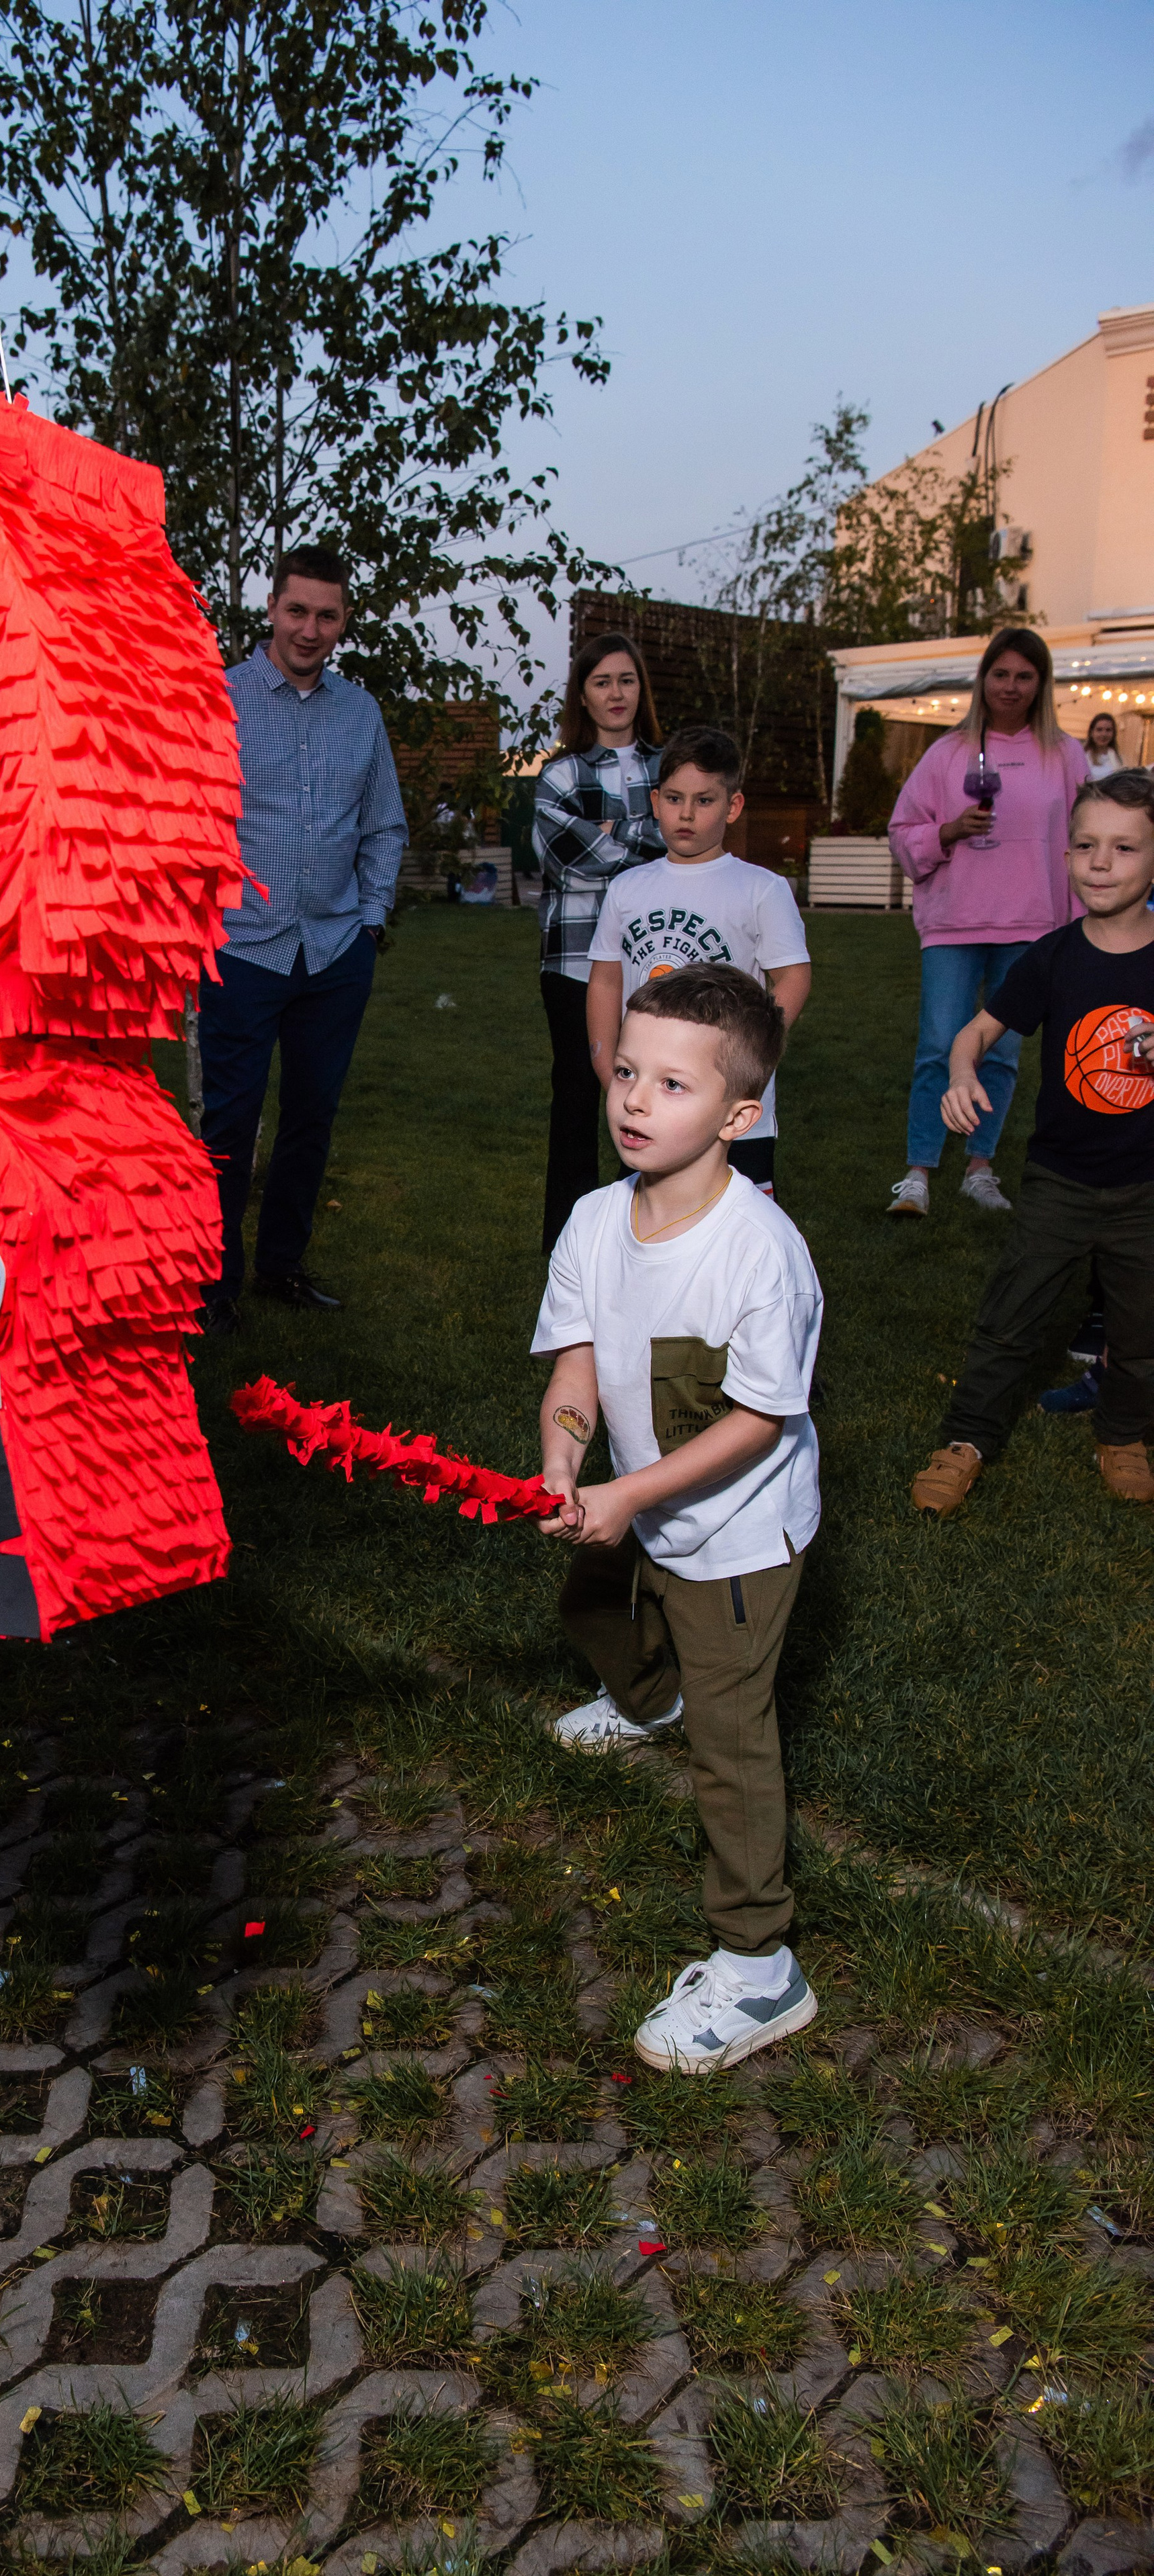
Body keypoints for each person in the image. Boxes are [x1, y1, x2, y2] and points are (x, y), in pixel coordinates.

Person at [534, 963, 822, 2073]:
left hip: (739, 1536)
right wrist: (566, 1449)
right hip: (640, 1505)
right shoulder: (594, 1219)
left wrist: (628, 1494)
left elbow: (756, 1421)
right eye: (625, 1072)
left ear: (739, 1116)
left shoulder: (762, 1253)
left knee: (732, 1744)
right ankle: (651, 1699)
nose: (635, 1101)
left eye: (672, 1084)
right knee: (592, 1607)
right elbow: (577, 1362)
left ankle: (760, 1966)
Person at [910, 768, 1154, 1517]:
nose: (1100, 863)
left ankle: (1123, 1434)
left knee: (1142, 1330)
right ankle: (966, 1439)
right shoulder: (1052, 956)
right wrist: (960, 1072)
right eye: (1085, 845)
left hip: (1146, 1190)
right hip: (1058, 1182)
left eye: (1123, 847)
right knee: (1010, 1320)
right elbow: (975, 1033)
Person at [197, 545, 406, 1333]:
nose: (309, 629)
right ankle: (213, 1283)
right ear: (272, 609)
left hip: (333, 952)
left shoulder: (360, 714)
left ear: (343, 621)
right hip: (241, 949)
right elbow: (189, 824)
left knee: (311, 1118)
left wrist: (370, 919)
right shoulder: (219, 701)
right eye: (297, 611)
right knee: (228, 1124)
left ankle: (281, 1265)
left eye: (326, 615)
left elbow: (384, 826)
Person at [886, 626, 1088, 1220]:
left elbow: (1085, 840)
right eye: (1001, 673)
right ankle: (918, 1171)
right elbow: (903, 831)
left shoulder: (1065, 755)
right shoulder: (947, 752)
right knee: (939, 1047)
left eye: (1025, 676)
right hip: (955, 923)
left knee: (1000, 1056)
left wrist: (1080, 925)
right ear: (983, 679)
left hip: (1031, 926)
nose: (1011, 686)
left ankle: (979, 1167)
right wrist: (949, 831)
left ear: (1041, 684)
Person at [585, 723, 810, 1198]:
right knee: (652, 1218)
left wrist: (750, 1055)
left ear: (733, 806)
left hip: (730, 1105)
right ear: (655, 802)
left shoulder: (761, 889)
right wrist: (610, 1072)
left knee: (738, 1225)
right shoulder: (627, 889)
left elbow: (793, 978)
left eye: (704, 801)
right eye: (674, 798)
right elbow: (605, 982)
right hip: (650, 1099)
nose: (686, 813)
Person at [533, 631, 664, 1251]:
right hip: (575, 962)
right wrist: (648, 836)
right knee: (579, 1095)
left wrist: (610, 831)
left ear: (641, 690)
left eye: (627, 680)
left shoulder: (671, 766)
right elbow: (565, 861)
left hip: (658, 959)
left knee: (655, 1095)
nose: (616, 693)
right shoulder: (561, 773)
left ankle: (643, 1232)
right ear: (582, 696)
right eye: (602, 682)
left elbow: (692, 839)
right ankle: (569, 1242)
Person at [1084, 711, 1124, 782]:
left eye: (1108, 730)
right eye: (1099, 730)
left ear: (1114, 734)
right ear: (1092, 733)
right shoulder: (1083, 757)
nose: (1104, 734)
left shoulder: (1119, 758)